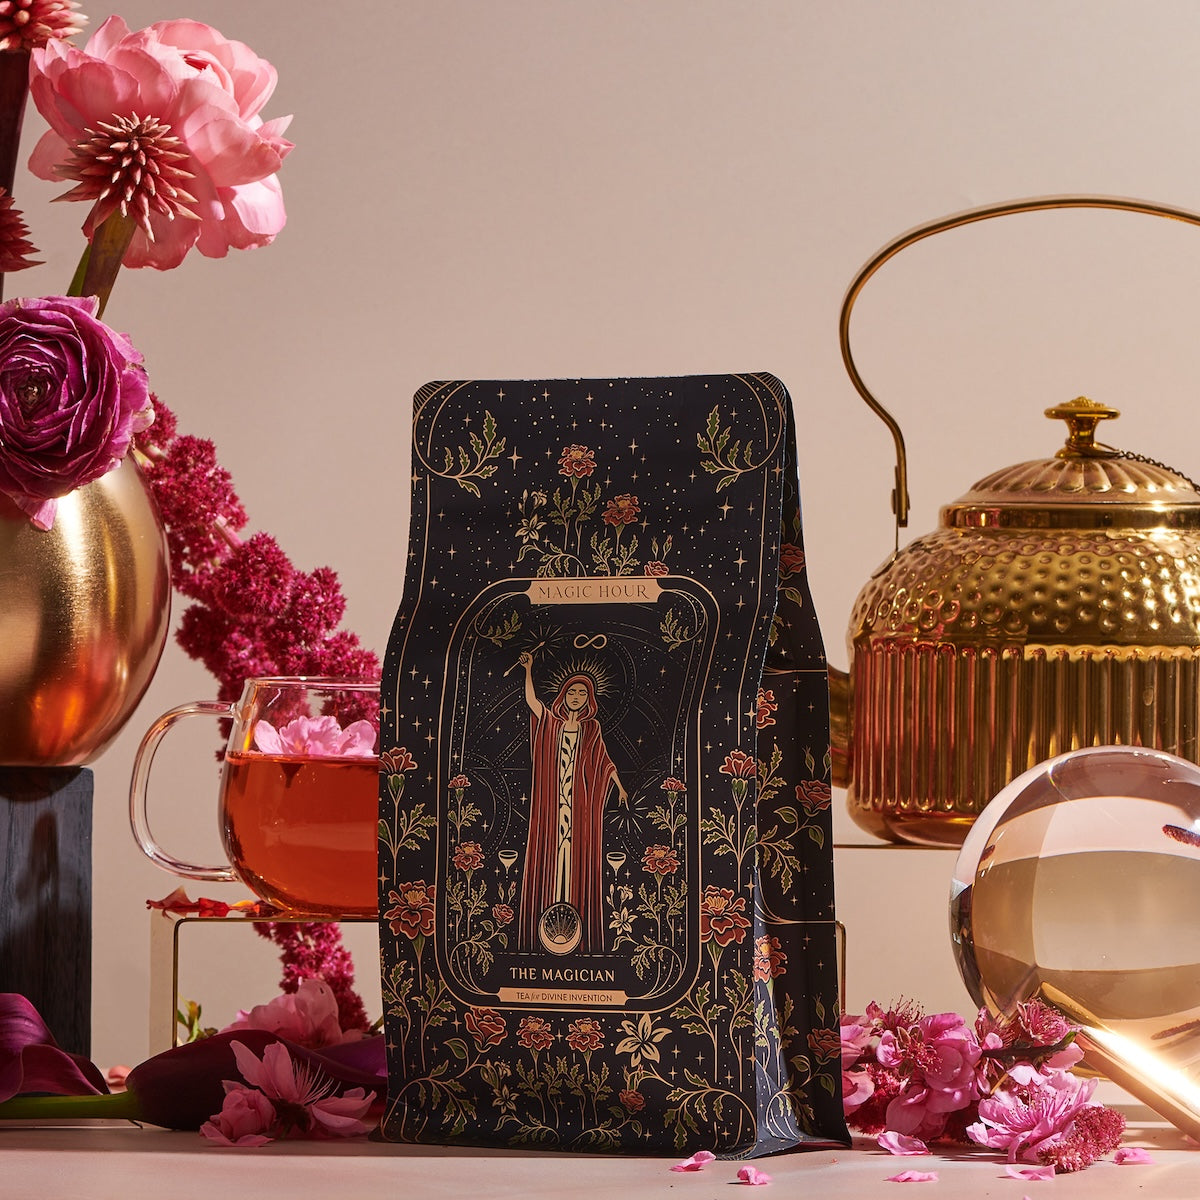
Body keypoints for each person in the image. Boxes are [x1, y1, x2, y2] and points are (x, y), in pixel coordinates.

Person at [518, 650, 627, 952]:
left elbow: (603, 760)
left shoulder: (591, 729)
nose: (576, 696)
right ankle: (543, 930)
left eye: (582, 692)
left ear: (589, 699)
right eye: (572, 691)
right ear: (563, 695)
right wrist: (528, 671)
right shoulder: (550, 722)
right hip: (552, 803)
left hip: (579, 804)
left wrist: (618, 786)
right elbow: (531, 702)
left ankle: (576, 930)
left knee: (575, 856)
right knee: (551, 857)